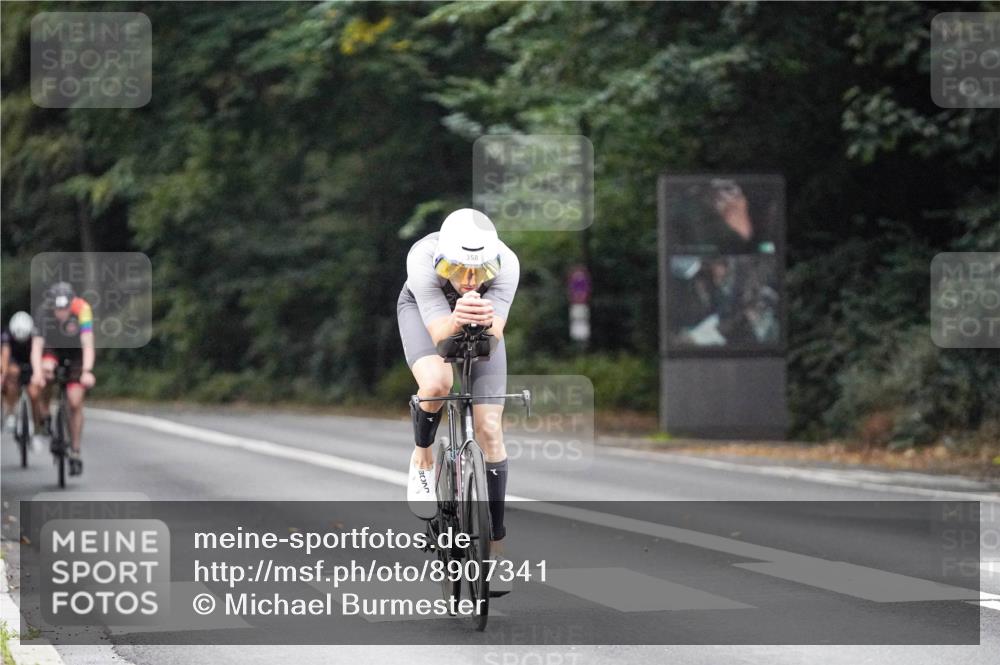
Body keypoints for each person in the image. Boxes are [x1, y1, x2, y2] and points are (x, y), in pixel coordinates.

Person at [396, 208, 519, 592]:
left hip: (481, 325)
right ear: (441, 260)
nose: (469, 281)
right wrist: (458, 316)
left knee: (490, 430)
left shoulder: (508, 264)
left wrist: (482, 320)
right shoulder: (421, 257)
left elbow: (492, 338)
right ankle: (422, 455)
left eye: (480, 272)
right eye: (459, 269)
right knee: (437, 382)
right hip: (425, 314)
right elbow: (439, 334)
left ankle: (495, 547)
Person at [30, 282, 97, 476]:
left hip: (76, 354)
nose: (61, 313)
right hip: (52, 350)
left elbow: (88, 344)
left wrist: (87, 370)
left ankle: (75, 451)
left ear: (72, 304)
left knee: (75, 402)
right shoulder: (43, 313)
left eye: (65, 308)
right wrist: (37, 372)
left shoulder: (83, 310)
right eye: (57, 309)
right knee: (45, 372)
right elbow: (36, 347)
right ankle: (45, 414)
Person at [1, 311, 36, 433]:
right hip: (14, 360)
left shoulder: (35, 334)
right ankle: (10, 412)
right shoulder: (7, 334)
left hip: (31, 359)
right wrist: (4, 374)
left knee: (35, 390)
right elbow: (5, 355)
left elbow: (38, 353)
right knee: (12, 376)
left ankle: (37, 417)